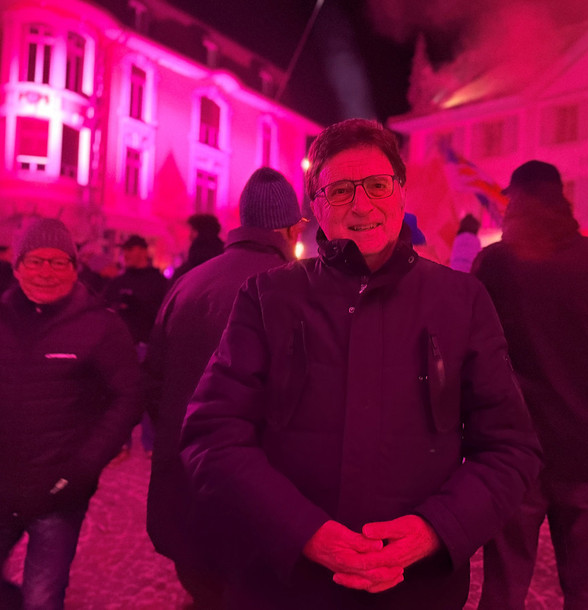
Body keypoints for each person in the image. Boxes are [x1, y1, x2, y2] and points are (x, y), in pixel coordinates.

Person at [179, 119, 542, 610]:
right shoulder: (268, 297)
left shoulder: (462, 300)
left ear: (400, 194)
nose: (362, 204)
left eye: (376, 185)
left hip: (416, 590)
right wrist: (302, 530)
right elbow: (213, 433)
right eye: (341, 190)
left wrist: (436, 529)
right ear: (317, 207)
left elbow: (509, 448)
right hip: (284, 586)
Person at [472, 160, 588, 610]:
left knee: (504, 587)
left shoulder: (495, 264)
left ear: (515, 201)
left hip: (515, 452)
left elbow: (471, 355)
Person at [144, 167, 306, 607]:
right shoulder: (298, 291)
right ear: (291, 228)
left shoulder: (187, 283)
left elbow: (154, 383)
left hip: (184, 489)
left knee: (205, 592)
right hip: (258, 501)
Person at [0, 217, 141, 609]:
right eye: (35, 261)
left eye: (58, 262)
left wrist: (82, 468)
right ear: (16, 267)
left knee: (42, 598)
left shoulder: (101, 327)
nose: (46, 271)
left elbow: (128, 397)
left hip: (58, 492)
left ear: (74, 268)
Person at [105, 234, 168, 456]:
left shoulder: (158, 282)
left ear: (142, 251)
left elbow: (165, 314)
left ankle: (150, 443)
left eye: (130, 250)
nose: (127, 255)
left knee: (147, 393)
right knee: (120, 394)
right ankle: (122, 441)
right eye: (125, 251)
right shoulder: (119, 282)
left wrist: (139, 305)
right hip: (121, 345)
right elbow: (104, 308)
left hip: (147, 344)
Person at [170, 213, 225, 283]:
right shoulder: (223, 253)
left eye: (192, 230)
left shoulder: (194, 260)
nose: (189, 236)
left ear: (197, 232)